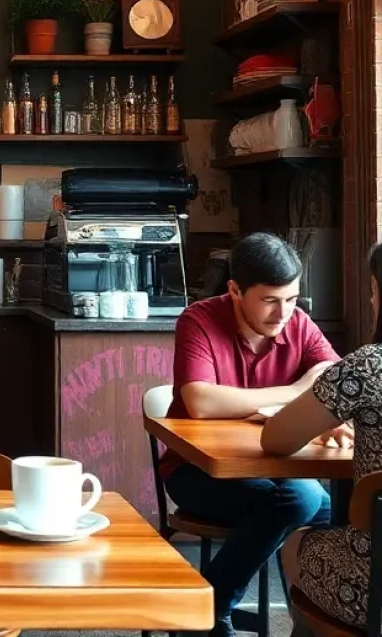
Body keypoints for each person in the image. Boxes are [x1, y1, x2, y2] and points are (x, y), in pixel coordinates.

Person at [163, 232, 342, 637]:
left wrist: (332, 415)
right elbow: (201, 402)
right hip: (197, 473)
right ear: (234, 290)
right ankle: (212, 606)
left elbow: (335, 378)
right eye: (270, 300)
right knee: (304, 498)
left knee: (333, 514)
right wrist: (297, 392)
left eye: (293, 299)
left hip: (272, 468)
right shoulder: (199, 319)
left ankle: (306, 623)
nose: (284, 313)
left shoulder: (298, 322)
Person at [263, 243, 382, 630]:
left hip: (374, 589)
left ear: (378, 293)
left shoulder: (367, 367)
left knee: (297, 543)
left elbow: (275, 439)